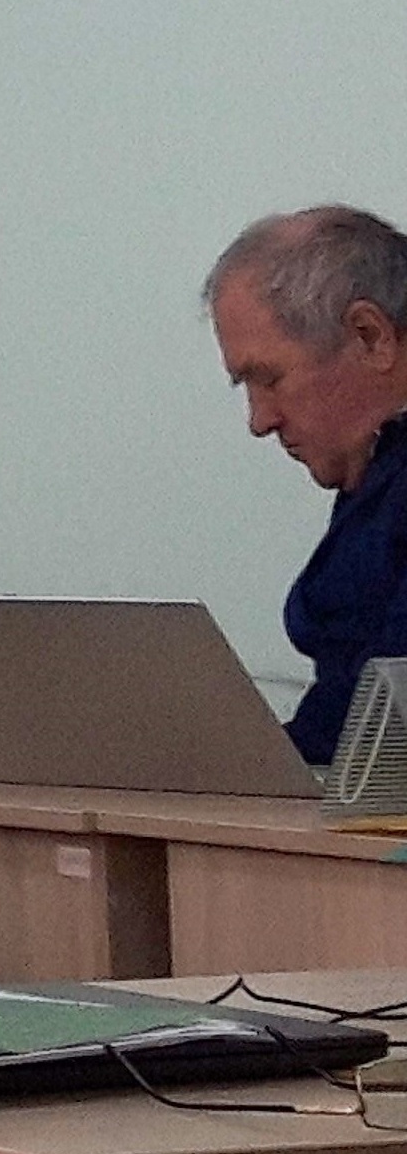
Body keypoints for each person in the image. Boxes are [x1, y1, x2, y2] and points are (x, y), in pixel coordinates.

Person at [204, 204, 407, 762]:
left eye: (269, 379)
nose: (259, 421)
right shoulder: (376, 470)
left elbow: (384, 741)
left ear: (371, 337)